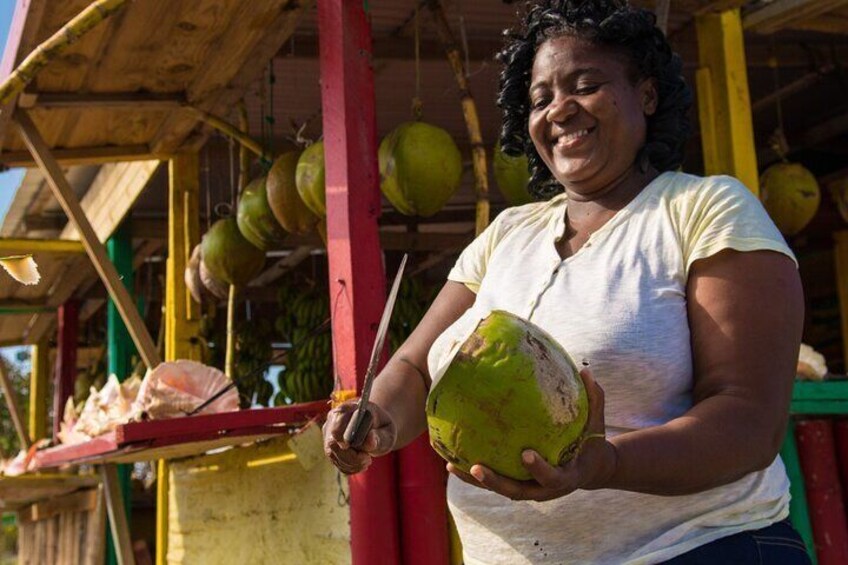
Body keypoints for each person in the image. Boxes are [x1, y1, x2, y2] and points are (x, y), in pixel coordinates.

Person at [323, 1, 810, 563]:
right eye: (541, 98)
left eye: (585, 85)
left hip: (696, 549)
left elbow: (748, 419)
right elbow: (413, 369)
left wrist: (604, 464)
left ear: (646, 95)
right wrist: (377, 421)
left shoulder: (703, 209)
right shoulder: (508, 233)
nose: (560, 110)